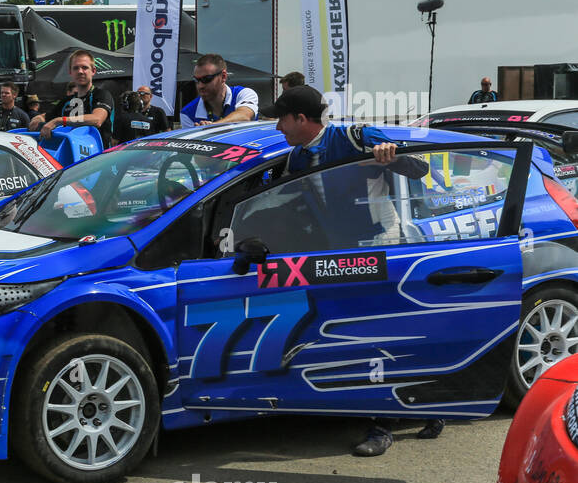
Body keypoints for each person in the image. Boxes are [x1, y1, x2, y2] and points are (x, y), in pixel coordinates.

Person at [263, 84, 442, 457]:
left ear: (300, 118)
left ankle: (383, 424)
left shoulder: (355, 137)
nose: (277, 125)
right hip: (337, 257)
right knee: (351, 334)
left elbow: (418, 167)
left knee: (379, 333)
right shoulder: (296, 159)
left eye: (282, 117)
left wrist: (390, 156)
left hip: (381, 248)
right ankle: (425, 400)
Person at [29, 49, 114, 148]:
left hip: (98, 158)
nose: (80, 71)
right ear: (70, 72)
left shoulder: (102, 95)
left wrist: (59, 121)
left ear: (93, 71)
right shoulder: (66, 102)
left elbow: (97, 119)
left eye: (85, 67)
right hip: (72, 158)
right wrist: (37, 119)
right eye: (76, 68)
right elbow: (45, 116)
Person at [180, 53, 258, 129]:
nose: (200, 86)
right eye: (196, 80)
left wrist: (213, 126)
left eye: (206, 79)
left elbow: (244, 116)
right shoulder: (187, 113)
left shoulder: (244, 94)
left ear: (223, 76)